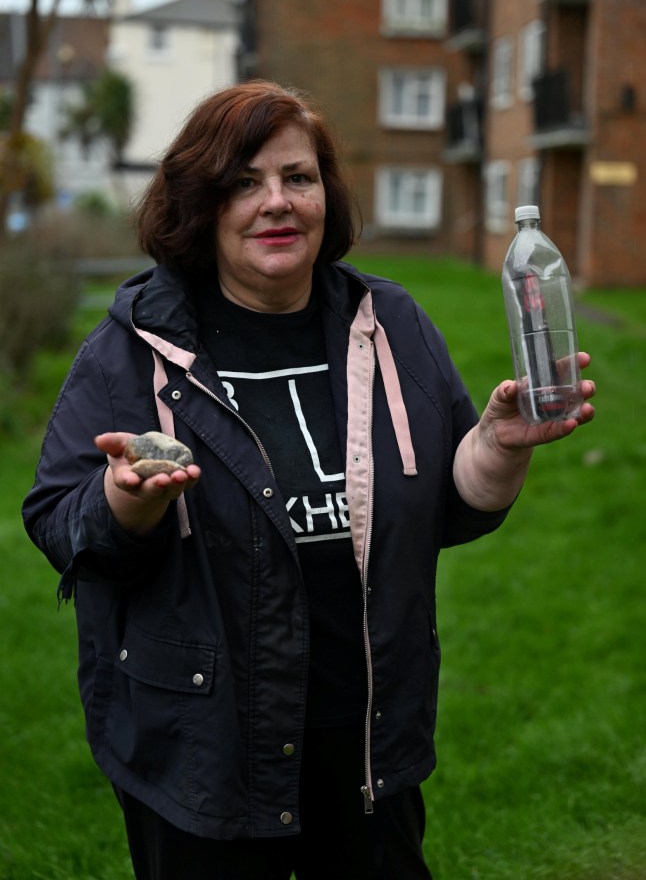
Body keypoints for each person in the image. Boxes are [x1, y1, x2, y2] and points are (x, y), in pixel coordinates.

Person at [22, 80, 596, 880]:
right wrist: (124, 503)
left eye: (298, 177)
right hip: (204, 750)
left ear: (326, 194)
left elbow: (450, 506)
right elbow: (58, 522)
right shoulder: (131, 351)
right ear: (201, 204)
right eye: (244, 183)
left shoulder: (388, 323)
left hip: (367, 737)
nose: (277, 203)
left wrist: (500, 445)